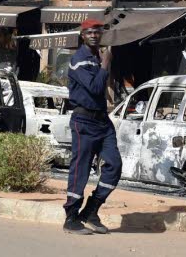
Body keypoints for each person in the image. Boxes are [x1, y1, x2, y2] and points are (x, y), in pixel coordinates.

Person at [63, 19, 123, 235]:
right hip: (84, 122)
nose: (94, 36)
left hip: (103, 122)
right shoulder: (79, 59)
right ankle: (71, 218)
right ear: (83, 36)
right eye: (89, 33)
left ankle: (91, 210)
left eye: (97, 32)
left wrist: (103, 61)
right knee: (81, 169)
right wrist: (106, 63)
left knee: (114, 165)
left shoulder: (98, 57)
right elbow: (96, 88)